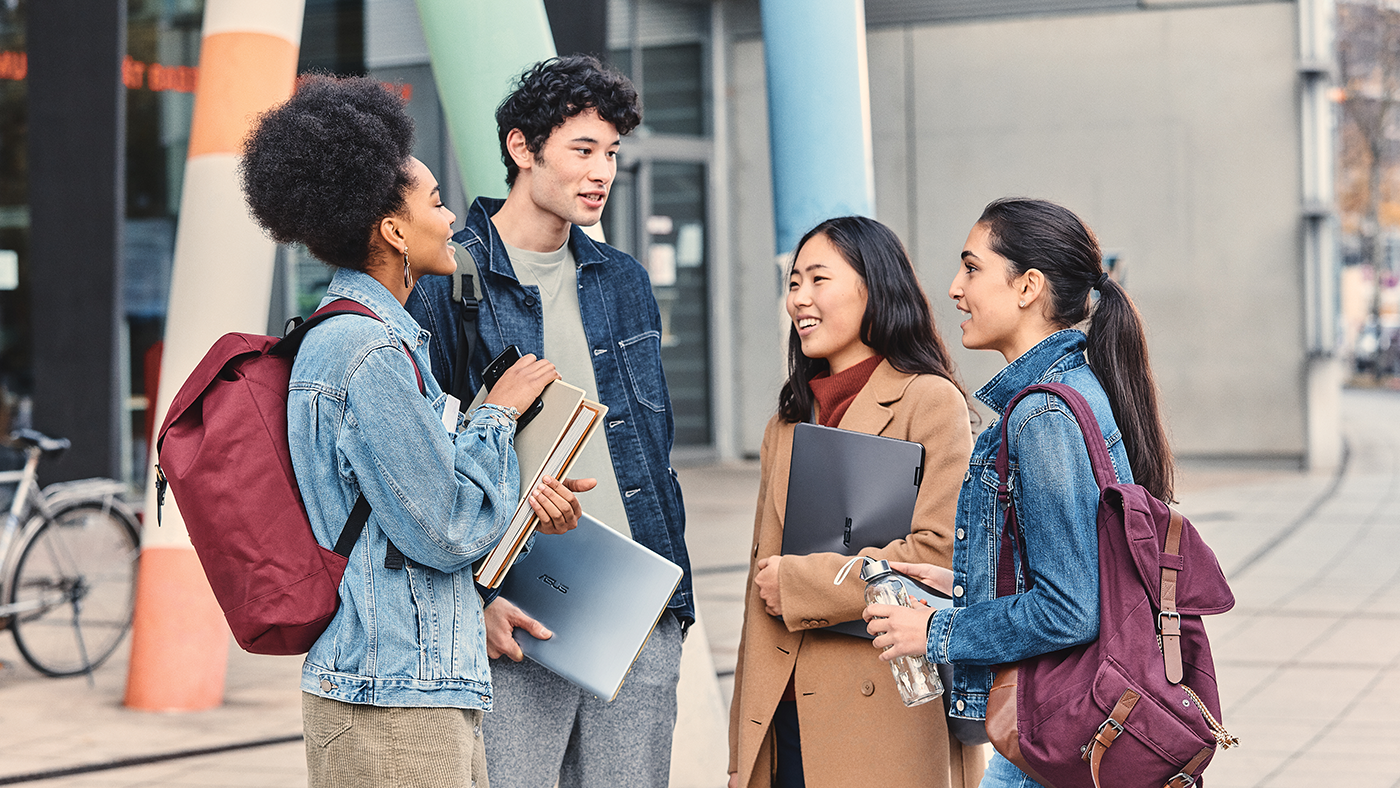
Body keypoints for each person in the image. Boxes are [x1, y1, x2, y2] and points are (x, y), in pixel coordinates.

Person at [239, 74, 589, 788]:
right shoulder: (366, 353)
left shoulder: (377, 342)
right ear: (393, 230)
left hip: (406, 682)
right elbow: (448, 527)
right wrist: (497, 414)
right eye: (434, 201)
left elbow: (417, 506)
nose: (450, 216)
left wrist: (525, 500)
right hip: (394, 693)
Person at [405, 55, 694, 788]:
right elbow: (418, 468)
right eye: (583, 150)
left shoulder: (623, 280)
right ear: (522, 148)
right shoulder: (450, 281)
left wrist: (672, 613)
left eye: (612, 154)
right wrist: (479, 598)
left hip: (637, 606)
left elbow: (652, 451)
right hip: (517, 604)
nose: (602, 172)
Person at [864, 198, 1175, 788]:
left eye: (972, 268)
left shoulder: (1042, 416)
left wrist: (934, 632)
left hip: (1051, 730)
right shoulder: (1070, 389)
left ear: (1028, 286)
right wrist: (965, 588)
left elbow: (1069, 609)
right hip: (1067, 721)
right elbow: (1074, 568)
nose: (955, 288)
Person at [727, 216, 985, 788]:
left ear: (874, 287)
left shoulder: (928, 400)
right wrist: (742, 747)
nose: (799, 299)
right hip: (785, 700)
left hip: (884, 702)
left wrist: (800, 584)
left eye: (819, 280)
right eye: (794, 283)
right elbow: (758, 588)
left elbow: (938, 556)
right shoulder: (788, 421)